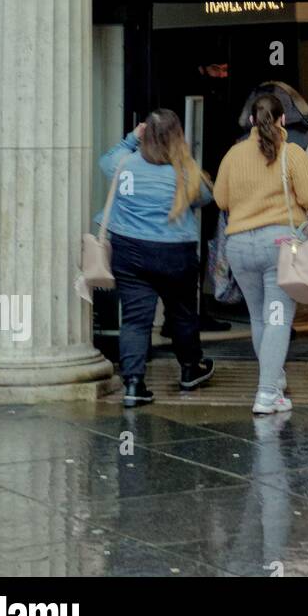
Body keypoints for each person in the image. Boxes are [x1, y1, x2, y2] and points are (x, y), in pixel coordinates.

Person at [215, 93, 308, 414]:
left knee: (259, 317)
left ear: (251, 121)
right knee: (278, 319)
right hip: (279, 246)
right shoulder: (291, 153)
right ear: (282, 121)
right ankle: (266, 394)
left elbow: (221, 199)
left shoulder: (234, 155)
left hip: (238, 246)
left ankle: (273, 381)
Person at [99, 109, 215, 408]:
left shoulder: (124, 164)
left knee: (136, 320)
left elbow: (105, 161)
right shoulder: (186, 171)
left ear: (145, 134)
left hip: (130, 250)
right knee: (182, 314)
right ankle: (190, 369)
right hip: (176, 252)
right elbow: (205, 197)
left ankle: (134, 384)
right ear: (178, 137)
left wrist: (130, 139)